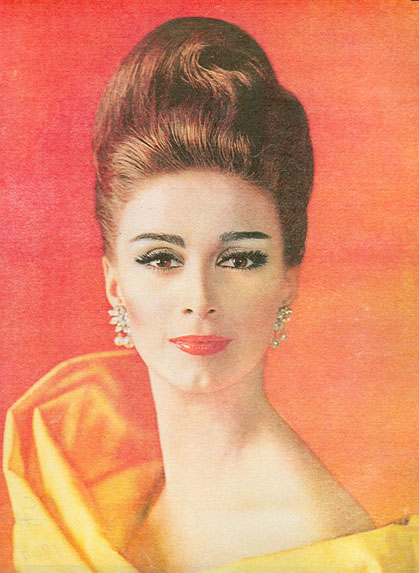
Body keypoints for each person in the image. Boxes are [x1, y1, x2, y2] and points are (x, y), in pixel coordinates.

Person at [3, 17, 417, 572]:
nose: (199, 298)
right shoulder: (70, 453)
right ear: (114, 281)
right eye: (161, 259)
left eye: (240, 259)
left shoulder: (320, 543)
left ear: (287, 278)